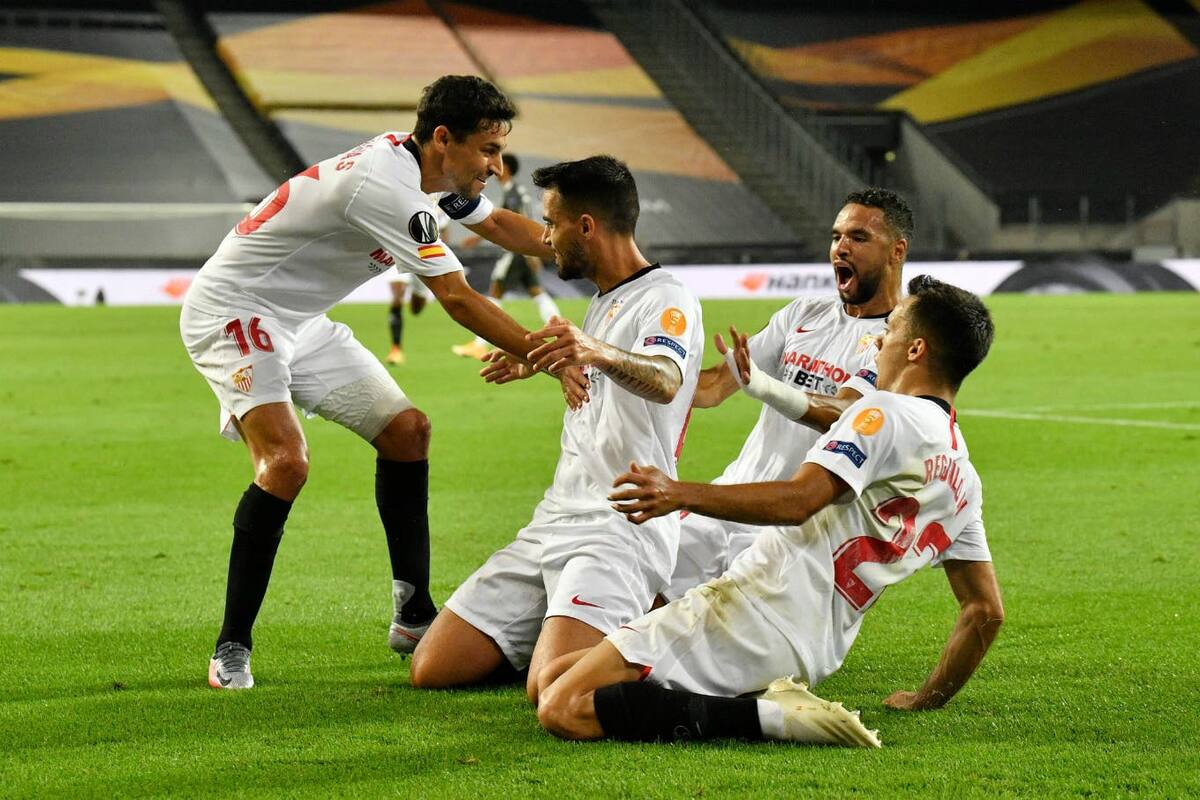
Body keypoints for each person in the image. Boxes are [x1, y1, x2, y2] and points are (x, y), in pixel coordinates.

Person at [181, 74, 562, 690]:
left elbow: (502, 229)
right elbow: (458, 299)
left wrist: (600, 251)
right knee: (285, 463)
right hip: (236, 312)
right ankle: (231, 647)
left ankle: (413, 615)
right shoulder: (387, 189)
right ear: (444, 138)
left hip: (298, 321)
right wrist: (555, 358)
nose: (496, 164)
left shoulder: (430, 175)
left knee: (409, 432)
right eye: (488, 150)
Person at [535, 276, 1004, 747]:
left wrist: (679, 493)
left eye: (894, 328)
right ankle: (763, 702)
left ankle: (771, 719)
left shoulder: (884, 412)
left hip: (753, 613)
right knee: (553, 675)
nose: (880, 339)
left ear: (916, 349)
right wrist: (929, 697)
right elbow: (984, 610)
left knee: (563, 707)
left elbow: (799, 501)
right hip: (814, 652)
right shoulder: (965, 478)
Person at [410, 156, 704, 703]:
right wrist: (544, 362)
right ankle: (576, 625)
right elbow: (605, 393)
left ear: (586, 226)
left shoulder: (667, 298)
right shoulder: (601, 301)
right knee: (434, 666)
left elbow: (665, 379)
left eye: (551, 224)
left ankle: (691, 643)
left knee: (549, 689)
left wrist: (598, 351)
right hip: (555, 518)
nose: (545, 238)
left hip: (620, 527)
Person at [667, 188, 910, 601]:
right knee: (636, 605)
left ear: (897, 250)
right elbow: (711, 387)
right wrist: (606, 365)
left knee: (696, 645)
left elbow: (846, 411)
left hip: (790, 528)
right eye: (836, 237)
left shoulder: (898, 341)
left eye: (858, 238)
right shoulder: (804, 314)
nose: (841, 248)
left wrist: (764, 386)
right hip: (730, 500)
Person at [452, 153, 563, 360]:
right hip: (522, 254)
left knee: (495, 292)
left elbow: (509, 225)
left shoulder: (513, 193)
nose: (492, 168)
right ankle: (560, 333)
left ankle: (479, 344)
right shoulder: (514, 191)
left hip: (515, 253)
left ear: (507, 169)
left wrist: (475, 240)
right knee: (538, 293)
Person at [383, 208, 445, 366]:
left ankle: (420, 294)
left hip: (425, 255)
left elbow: (443, 230)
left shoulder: (437, 203)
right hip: (398, 249)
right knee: (397, 296)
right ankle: (396, 349)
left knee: (416, 308)